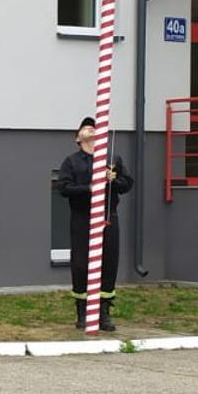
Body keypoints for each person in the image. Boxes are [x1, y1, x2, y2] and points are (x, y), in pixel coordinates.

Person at [55, 117, 134, 332]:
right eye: (84, 127)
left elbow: (127, 184)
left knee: (109, 263)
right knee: (81, 264)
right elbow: (63, 187)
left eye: (93, 126)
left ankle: (103, 312)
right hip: (82, 217)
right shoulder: (71, 162)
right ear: (77, 138)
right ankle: (82, 311)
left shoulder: (112, 158)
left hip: (108, 216)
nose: (90, 127)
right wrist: (88, 188)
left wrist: (113, 179)